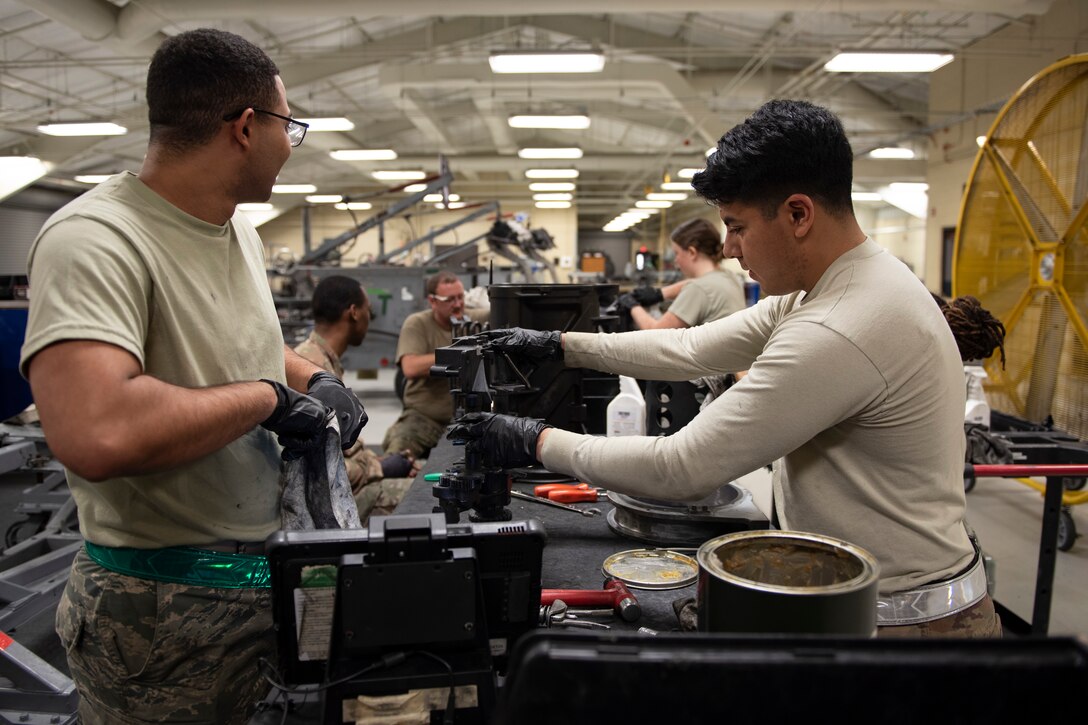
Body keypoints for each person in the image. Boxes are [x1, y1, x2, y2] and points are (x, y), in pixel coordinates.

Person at [459, 99, 1000, 638]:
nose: (732, 249)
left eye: (737, 227)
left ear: (798, 214)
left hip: (906, 627)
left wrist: (533, 439)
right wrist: (558, 344)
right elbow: (690, 349)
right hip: (862, 600)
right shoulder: (835, 285)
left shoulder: (841, 323)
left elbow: (682, 466)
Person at [18, 29, 367, 724]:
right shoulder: (95, 239)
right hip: (158, 621)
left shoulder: (235, 229)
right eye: (287, 127)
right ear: (244, 128)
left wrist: (308, 377)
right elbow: (99, 430)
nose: (288, 145)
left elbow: (246, 349)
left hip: (255, 585)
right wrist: (270, 398)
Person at [294, 275, 417, 522]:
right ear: (353, 313)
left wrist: (380, 461)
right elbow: (314, 471)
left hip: (338, 490)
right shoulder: (313, 371)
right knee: (426, 497)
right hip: (326, 507)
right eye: (368, 310)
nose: (370, 317)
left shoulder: (315, 360)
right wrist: (378, 469)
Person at [382, 270, 465, 458]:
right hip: (426, 418)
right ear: (433, 301)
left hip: (470, 420)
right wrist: (459, 353)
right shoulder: (417, 324)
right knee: (397, 456)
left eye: (461, 297)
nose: (458, 304)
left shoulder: (477, 319)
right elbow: (410, 367)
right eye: (450, 299)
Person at [618, 218, 745, 330]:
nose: (675, 260)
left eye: (677, 253)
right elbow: (697, 284)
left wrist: (632, 305)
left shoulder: (698, 289)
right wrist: (660, 294)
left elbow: (656, 333)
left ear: (691, 252)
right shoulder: (728, 276)